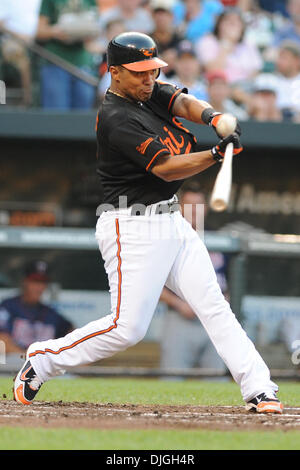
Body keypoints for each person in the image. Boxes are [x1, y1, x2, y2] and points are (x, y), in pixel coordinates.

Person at [14, 31, 283, 414]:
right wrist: (215, 153)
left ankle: (259, 388)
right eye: (139, 72)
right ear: (115, 72)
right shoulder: (114, 117)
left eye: (152, 71)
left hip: (172, 219)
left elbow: (182, 101)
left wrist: (215, 117)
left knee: (214, 306)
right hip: (131, 225)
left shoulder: (147, 90)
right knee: (127, 328)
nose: (148, 79)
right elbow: (167, 168)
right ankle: (43, 359)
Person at [160, 183, 227, 373]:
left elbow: (230, 281)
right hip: (180, 316)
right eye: (189, 205)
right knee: (172, 378)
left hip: (212, 319)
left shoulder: (219, 238)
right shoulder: (167, 237)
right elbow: (151, 283)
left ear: (205, 208)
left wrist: (224, 302)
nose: (194, 211)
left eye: (198, 206)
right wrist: (179, 304)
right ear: (180, 207)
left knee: (216, 381)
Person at [36, 0, 98, 109]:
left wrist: (85, 32)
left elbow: (95, 29)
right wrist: (55, 32)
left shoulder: (90, 1)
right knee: (57, 113)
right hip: (56, 61)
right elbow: (39, 31)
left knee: (82, 112)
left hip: (82, 62)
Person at [0, 260, 73, 354]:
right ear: (24, 282)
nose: (39, 287)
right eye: (35, 281)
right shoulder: (8, 307)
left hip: (43, 364)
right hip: (14, 364)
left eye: (43, 282)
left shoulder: (51, 314)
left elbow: (73, 334)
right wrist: (29, 359)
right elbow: (2, 341)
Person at [195, 8, 263, 85]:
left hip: (245, 87)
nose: (232, 24)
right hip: (218, 88)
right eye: (228, 21)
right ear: (219, 24)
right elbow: (213, 70)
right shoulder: (207, 41)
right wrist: (226, 43)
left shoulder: (248, 44)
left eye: (237, 22)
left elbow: (256, 71)